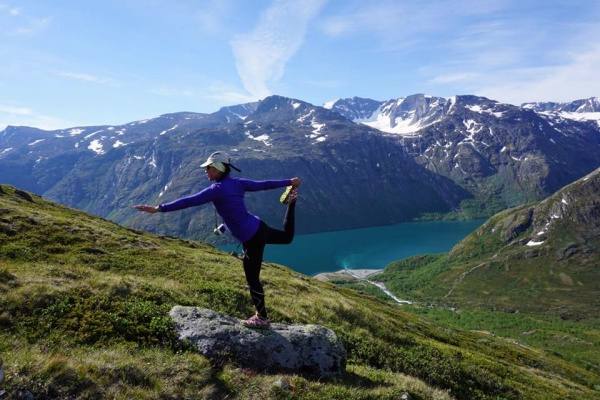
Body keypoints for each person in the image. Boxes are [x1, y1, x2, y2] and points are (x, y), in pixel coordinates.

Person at [133, 151, 300, 329]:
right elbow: (264, 185)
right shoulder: (237, 183)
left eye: (209, 168)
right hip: (259, 226)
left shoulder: (216, 190)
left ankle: (262, 317)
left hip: (252, 238)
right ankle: (292, 203)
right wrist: (289, 182)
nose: (206, 172)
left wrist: (158, 209)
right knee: (287, 238)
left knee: (252, 278)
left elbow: (189, 201)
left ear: (219, 168)